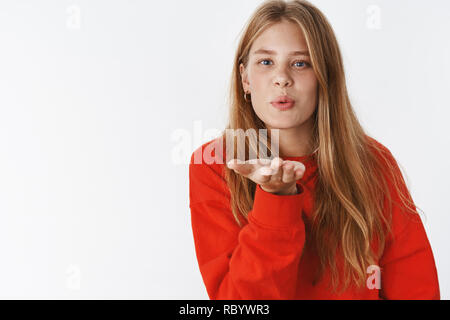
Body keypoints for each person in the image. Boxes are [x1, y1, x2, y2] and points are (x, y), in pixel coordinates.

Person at [188, 0, 440, 299]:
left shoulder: (373, 162)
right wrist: (275, 199)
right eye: (266, 62)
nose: (282, 78)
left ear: (325, 76)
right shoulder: (216, 164)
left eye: (300, 63)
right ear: (245, 78)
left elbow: (416, 287)